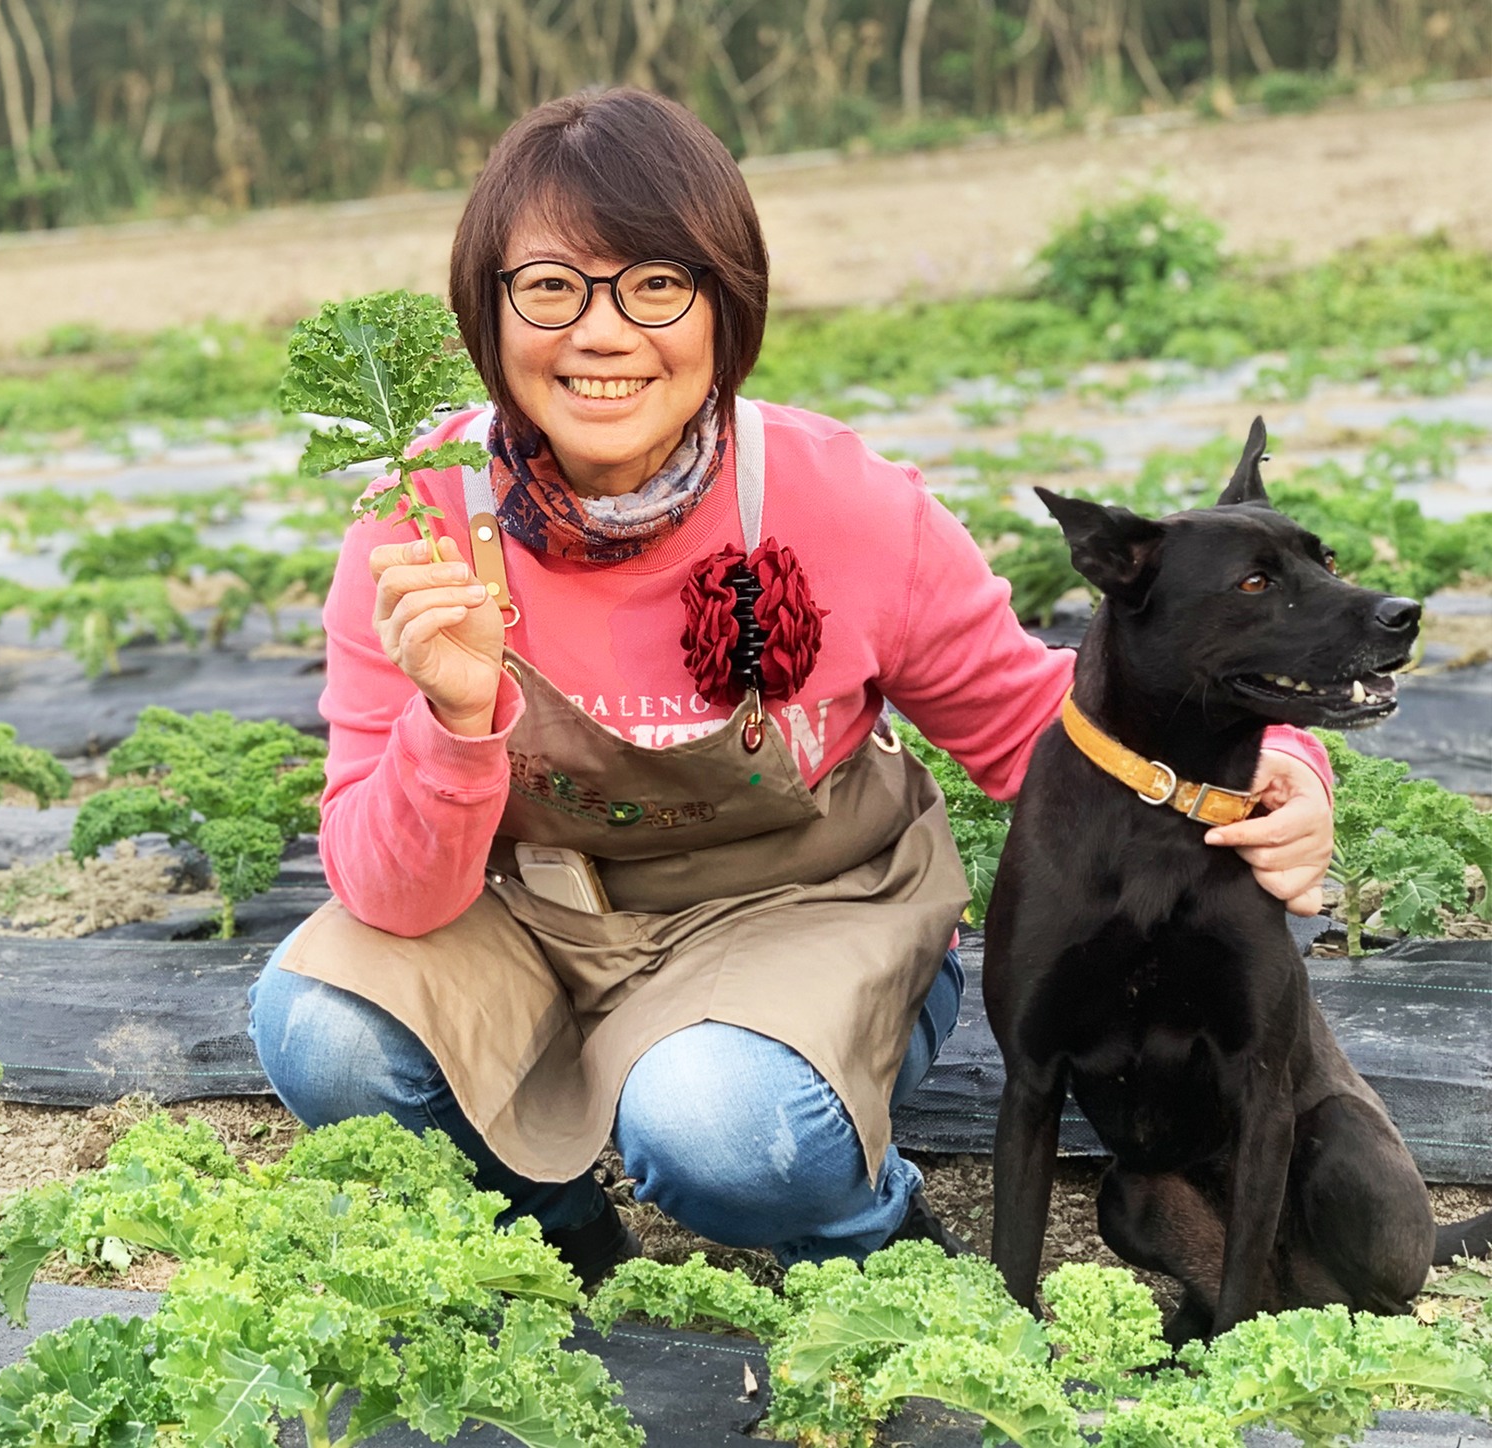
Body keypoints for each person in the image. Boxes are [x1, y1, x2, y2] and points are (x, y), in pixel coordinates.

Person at [247, 87, 1336, 1286]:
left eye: (656, 285)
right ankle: (556, 1231)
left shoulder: (840, 501)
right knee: (323, 1027)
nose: (601, 334)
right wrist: (454, 721)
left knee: (720, 1121)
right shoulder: (420, 519)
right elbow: (388, 896)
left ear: (726, 305)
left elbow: (1039, 723)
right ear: (488, 310)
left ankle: (865, 1232)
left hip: (802, 924)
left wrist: (1279, 760)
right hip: (535, 924)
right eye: (550, 287)